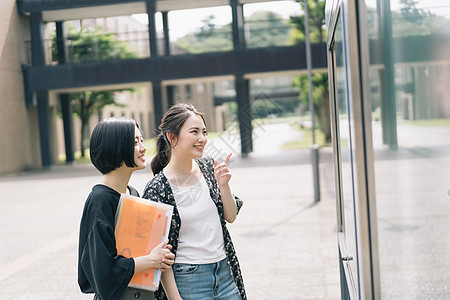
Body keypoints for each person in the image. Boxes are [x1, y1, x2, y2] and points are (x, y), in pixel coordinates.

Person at [142, 103, 247, 300]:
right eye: (194, 132)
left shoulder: (208, 168)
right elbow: (159, 254)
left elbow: (230, 217)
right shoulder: (157, 189)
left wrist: (224, 186)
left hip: (225, 272)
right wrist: (175, 298)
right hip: (189, 279)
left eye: (204, 132)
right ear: (171, 137)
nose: (202, 139)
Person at [78, 117, 175, 300]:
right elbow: (102, 271)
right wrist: (150, 259)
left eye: (141, 140)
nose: (144, 147)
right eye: (135, 142)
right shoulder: (101, 201)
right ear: (116, 146)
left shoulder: (132, 193)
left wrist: (160, 256)